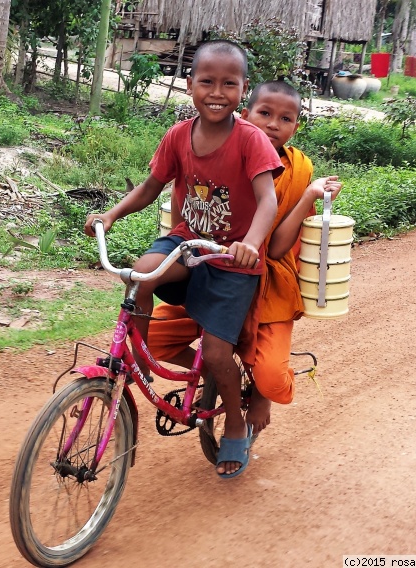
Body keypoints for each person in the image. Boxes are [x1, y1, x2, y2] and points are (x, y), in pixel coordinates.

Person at [84, 40, 283, 479]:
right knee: (139, 276)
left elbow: (267, 200)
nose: (217, 92)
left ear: (243, 89)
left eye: (229, 84)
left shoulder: (251, 139)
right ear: (189, 84)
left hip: (231, 261)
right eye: (207, 82)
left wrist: (250, 243)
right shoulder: (178, 135)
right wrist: (111, 215)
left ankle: (234, 422)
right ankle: (137, 365)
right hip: (187, 244)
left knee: (216, 353)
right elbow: (150, 187)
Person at [148, 80, 342, 449]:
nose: (273, 124)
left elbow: (277, 248)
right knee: (151, 337)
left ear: (296, 126)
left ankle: (259, 391)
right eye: (264, 113)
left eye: (285, 119)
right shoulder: (222, 150)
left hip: (265, 283)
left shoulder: (298, 169)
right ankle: (222, 373)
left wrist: (309, 196)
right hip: (211, 271)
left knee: (272, 380)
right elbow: (186, 211)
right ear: (245, 114)